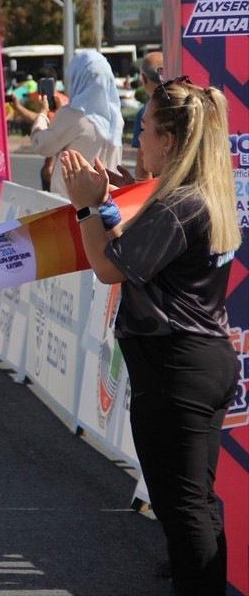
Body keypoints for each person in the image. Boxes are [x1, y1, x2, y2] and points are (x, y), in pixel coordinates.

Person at [60, 75, 239, 596]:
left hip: (176, 368)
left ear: (172, 142)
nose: (139, 140)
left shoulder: (178, 204)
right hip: (195, 361)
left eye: (147, 130)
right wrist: (108, 206)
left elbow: (109, 266)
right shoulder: (197, 196)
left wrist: (87, 205)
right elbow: (138, 257)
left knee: (183, 508)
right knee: (196, 503)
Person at [22, 50, 124, 197]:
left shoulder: (73, 114)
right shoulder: (115, 116)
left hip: (73, 202)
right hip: (108, 198)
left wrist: (43, 114)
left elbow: (42, 144)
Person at [129, 52, 163, 183]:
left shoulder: (146, 112)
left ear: (143, 78)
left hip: (161, 193)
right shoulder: (188, 103)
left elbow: (144, 170)